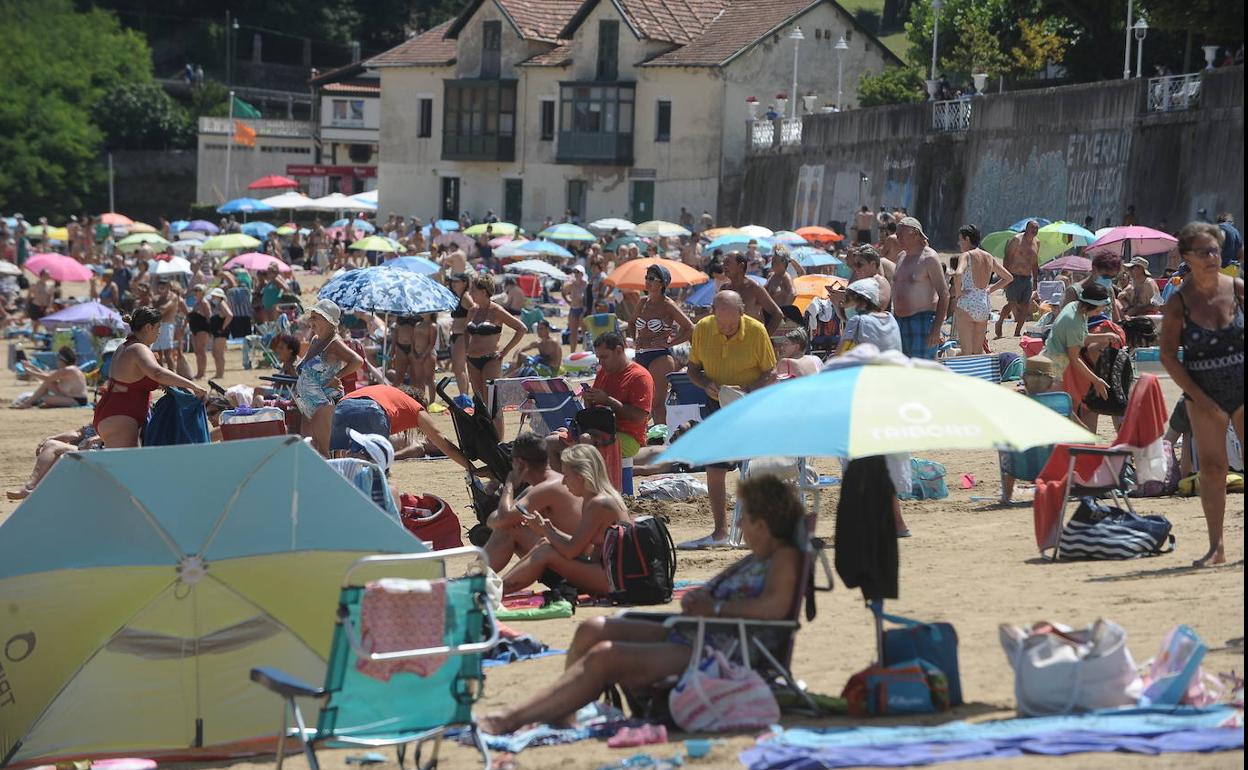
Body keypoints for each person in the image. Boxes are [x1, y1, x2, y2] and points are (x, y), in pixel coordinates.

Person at [477, 473, 804, 735]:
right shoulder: (761, 556)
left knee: (606, 657)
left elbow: (774, 609)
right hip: (702, 633)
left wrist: (716, 609)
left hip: (727, 650)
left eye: (743, 518)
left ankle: (510, 719)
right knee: (592, 629)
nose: (740, 525)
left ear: (762, 525)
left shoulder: (785, 556)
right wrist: (705, 604)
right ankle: (564, 713)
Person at [1160, 222, 1244, 567]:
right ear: (1187, 257)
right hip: (1202, 392)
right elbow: (1167, 355)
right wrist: (1199, 396)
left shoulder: (1238, 289)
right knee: (1212, 469)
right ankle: (1217, 547)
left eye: (1215, 250)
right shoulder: (1179, 302)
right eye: (1203, 252)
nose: (1212, 257)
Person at [683, 291, 777, 548]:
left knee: (755, 468)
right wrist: (705, 384)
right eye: (721, 324)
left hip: (750, 402)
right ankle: (720, 532)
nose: (725, 330)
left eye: (731, 325)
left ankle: (761, 529)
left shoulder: (757, 332)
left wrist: (747, 391)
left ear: (742, 314)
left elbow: (771, 372)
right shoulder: (703, 328)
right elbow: (692, 369)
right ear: (713, 313)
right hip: (717, 402)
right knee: (714, 466)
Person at [497, 444, 631, 595]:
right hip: (609, 571)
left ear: (581, 477)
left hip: (613, 580)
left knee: (546, 551)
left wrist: (545, 530)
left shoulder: (598, 504)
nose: (563, 482)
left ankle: (494, 592)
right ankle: (497, 588)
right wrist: (549, 531)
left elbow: (571, 551)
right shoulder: (598, 497)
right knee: (544, 544)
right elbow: (582, 547)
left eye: (566, 475)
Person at [93, 307, 207, 448]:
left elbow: (135, 379)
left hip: (115, 413)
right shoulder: (138, 348)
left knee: (127, 465)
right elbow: (157, 373)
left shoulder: (125, 347)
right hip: (121, 416)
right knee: (124, 466)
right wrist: (192, 385)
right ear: (148, 327)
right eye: (158, 327)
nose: (159, 332)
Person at [483, 431, 584, 574]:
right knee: (509, 525)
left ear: (520, 463)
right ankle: (473, 578)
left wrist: (510, 484)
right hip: (569, 557)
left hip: (578, 565)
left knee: (511, 529)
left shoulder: (548, 487)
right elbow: (494, 520)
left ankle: (472, 580)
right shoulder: (541, 486)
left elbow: (502, 519)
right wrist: (506, 519)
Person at [549, 331, 654, 468]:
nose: (600, 362)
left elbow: (640, 417)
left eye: (604, 357)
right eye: (598, 357)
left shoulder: (639, 377)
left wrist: (608, 400)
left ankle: (589, 486)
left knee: (585, 440)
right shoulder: (604, 372)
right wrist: (589, 399)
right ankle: (563, 486)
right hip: (597, 429)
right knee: (551, 441)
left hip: (628, 436)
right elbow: (593, 411)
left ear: (619, 350)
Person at [328, 383, 473, 470]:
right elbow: (443, 442)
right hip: (373, 410)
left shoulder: (387, 393)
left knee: (341, 464)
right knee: (373, 470)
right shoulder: (414, 407)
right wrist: (472, 469)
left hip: (343, 406)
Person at [1041, 282, 1119, 423]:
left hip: (1051, 361)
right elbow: (1075, 358)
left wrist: (1105, 337)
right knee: (1059, 411)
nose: (1099, 314)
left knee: (1063, 411)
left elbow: (1079, 338)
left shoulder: (1075, 307)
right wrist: (1096, 380)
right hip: (1052, 368)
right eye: (1097, 311)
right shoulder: (1073, 321)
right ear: (1090, 306)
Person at [294, 299, 363, 456]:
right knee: (312, 451)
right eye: (311, 317)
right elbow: (305, 366)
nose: (311, 321)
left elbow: (357, 361)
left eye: (315, 318)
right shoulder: (315, 340)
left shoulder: (334, 343)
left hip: (323, 404)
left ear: (328, 321)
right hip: (307, 404)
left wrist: (336, 377)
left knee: (326, 451)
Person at [631, 264, 694, 426]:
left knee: (657, 404)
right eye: (646, 278)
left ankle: (662, 440)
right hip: (641, 354)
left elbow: (689, 328)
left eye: (651, 278)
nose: (647, 281)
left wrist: (671, 342)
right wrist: (633, 339)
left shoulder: (668, 305)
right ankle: (649, 439)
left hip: (660, 356)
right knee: (642, 403)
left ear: (662, 283)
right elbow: (631, 322)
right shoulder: (643, 302)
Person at [464, 273, 526, 433]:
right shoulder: (472, 311)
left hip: (491, 359)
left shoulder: (496, 311)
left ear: (484, 291)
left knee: (493, 402)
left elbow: (521, 329)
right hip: (472, 360)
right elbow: (465, 332)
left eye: (474, 290)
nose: (470, 293)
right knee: (479, 402)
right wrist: (466, 350)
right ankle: (485, 438)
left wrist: (505, 350)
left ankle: (498, 441)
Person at [999, 354, 1059, 503]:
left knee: (1005, 445)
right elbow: (1079, 430)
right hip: (1051, 463)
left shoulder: (1014, 401)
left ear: (1024, 380)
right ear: (1051, 383)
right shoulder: (1059, 402)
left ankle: (1007, 495)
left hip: (1018, 464)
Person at [951, 224, 1013, 356]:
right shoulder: (988, 257)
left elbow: (957, 274)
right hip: (983, 303)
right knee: (977, 352)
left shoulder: (966, 255)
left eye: (960, 239)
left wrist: (958, 294)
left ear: (967, 239)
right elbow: (1008, 277)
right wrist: (990, 289)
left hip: (967, 302)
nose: (959, 243)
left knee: (966, 352)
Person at [893, 217, 948, 359]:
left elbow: (944, 293)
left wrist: (936, 329)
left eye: (901, 235)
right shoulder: (900, 257)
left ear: (915, 233)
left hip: (923, 322)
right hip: (899, 321)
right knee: (901, 370)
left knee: (922, 371)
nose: (897, 238)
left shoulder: (929, 258)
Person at [6, 425, 104, 501]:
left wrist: (97, 438)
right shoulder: (102, 413)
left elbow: (118, 433)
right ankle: (41, 491)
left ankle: (30, 488)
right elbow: (77, 433)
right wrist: (53, 437)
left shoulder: (116, 412)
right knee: (52, 443)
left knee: (53, 446)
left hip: (106, 452)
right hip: (88, 450)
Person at [997, 220, 1041, 338]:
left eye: (1037, 228)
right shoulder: (1017, 240)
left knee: (1026, 306)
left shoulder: (1037, 242)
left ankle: (1017, 332)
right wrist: (1005, 277)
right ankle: (1000, 320)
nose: (1035, 230)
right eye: (1033, 228)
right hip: (1014, 276)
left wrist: (1035, 280)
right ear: (1026, 228)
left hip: (1027, 278)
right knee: (1012, 304)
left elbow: (1035, 263)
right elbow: (1007, 258)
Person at [724, 252, 783, 335]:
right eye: (723, 263)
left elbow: (777, 314)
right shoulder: (724, 289)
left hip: (751, 341)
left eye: (727, 262)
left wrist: (765, 338)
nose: (724, 266)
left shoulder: (754, 288)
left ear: (741, 266)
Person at [14, 346, 89, 408]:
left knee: (46, 399)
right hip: (69, 396)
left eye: (58, 359)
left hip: (77, 400)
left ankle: (28, 403)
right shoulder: (68, 369)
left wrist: (30, 372)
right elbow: (47, 375)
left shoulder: (68, 370)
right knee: (48, 383)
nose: (57, 362)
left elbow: (47, 377)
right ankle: (28, 403)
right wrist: (32, 367)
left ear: (62, 360)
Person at [391, 314, 438, 403]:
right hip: (411, 351)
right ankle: (417, 400)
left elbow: (432, 343)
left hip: (425, 353)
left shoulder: (431, 325)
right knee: (412, 378)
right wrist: (412, 352)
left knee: (425, 378)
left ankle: (429, 401)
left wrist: (422, 355)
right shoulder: (417, 323)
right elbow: (411, 338)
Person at [447, 272, 475, 405]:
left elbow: (475, 308)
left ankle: (465, 397)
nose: (453, 284)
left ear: (464, 283)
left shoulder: (465, 296)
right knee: (458, 368)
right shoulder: (458, 297)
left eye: (456, 281)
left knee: (459, 368)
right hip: (456, 335)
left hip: (461, 335)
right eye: (452, 281)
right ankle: (464, 395)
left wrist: (467, 323)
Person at [205, 287, 233, 380]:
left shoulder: (222, 303)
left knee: (218, 353)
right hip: (217, 332)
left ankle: (220, 374)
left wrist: (223, 328)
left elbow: (229, 315)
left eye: (214, 296)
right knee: (216, 353)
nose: (213, 298)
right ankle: (218, 372)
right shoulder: (218, 305)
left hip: (221, 332)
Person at [562, 265, 589, 353]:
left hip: (582, 309)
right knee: (573, 333)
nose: (576, 274)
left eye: (578, 272)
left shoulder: (586, 284)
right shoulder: (571, 284)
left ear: (582, 273)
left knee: (584, 332)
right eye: (575, 272)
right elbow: (563, 292)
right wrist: (568, 301)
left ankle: (585, 351)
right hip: (573, 309)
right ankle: (572, 352)